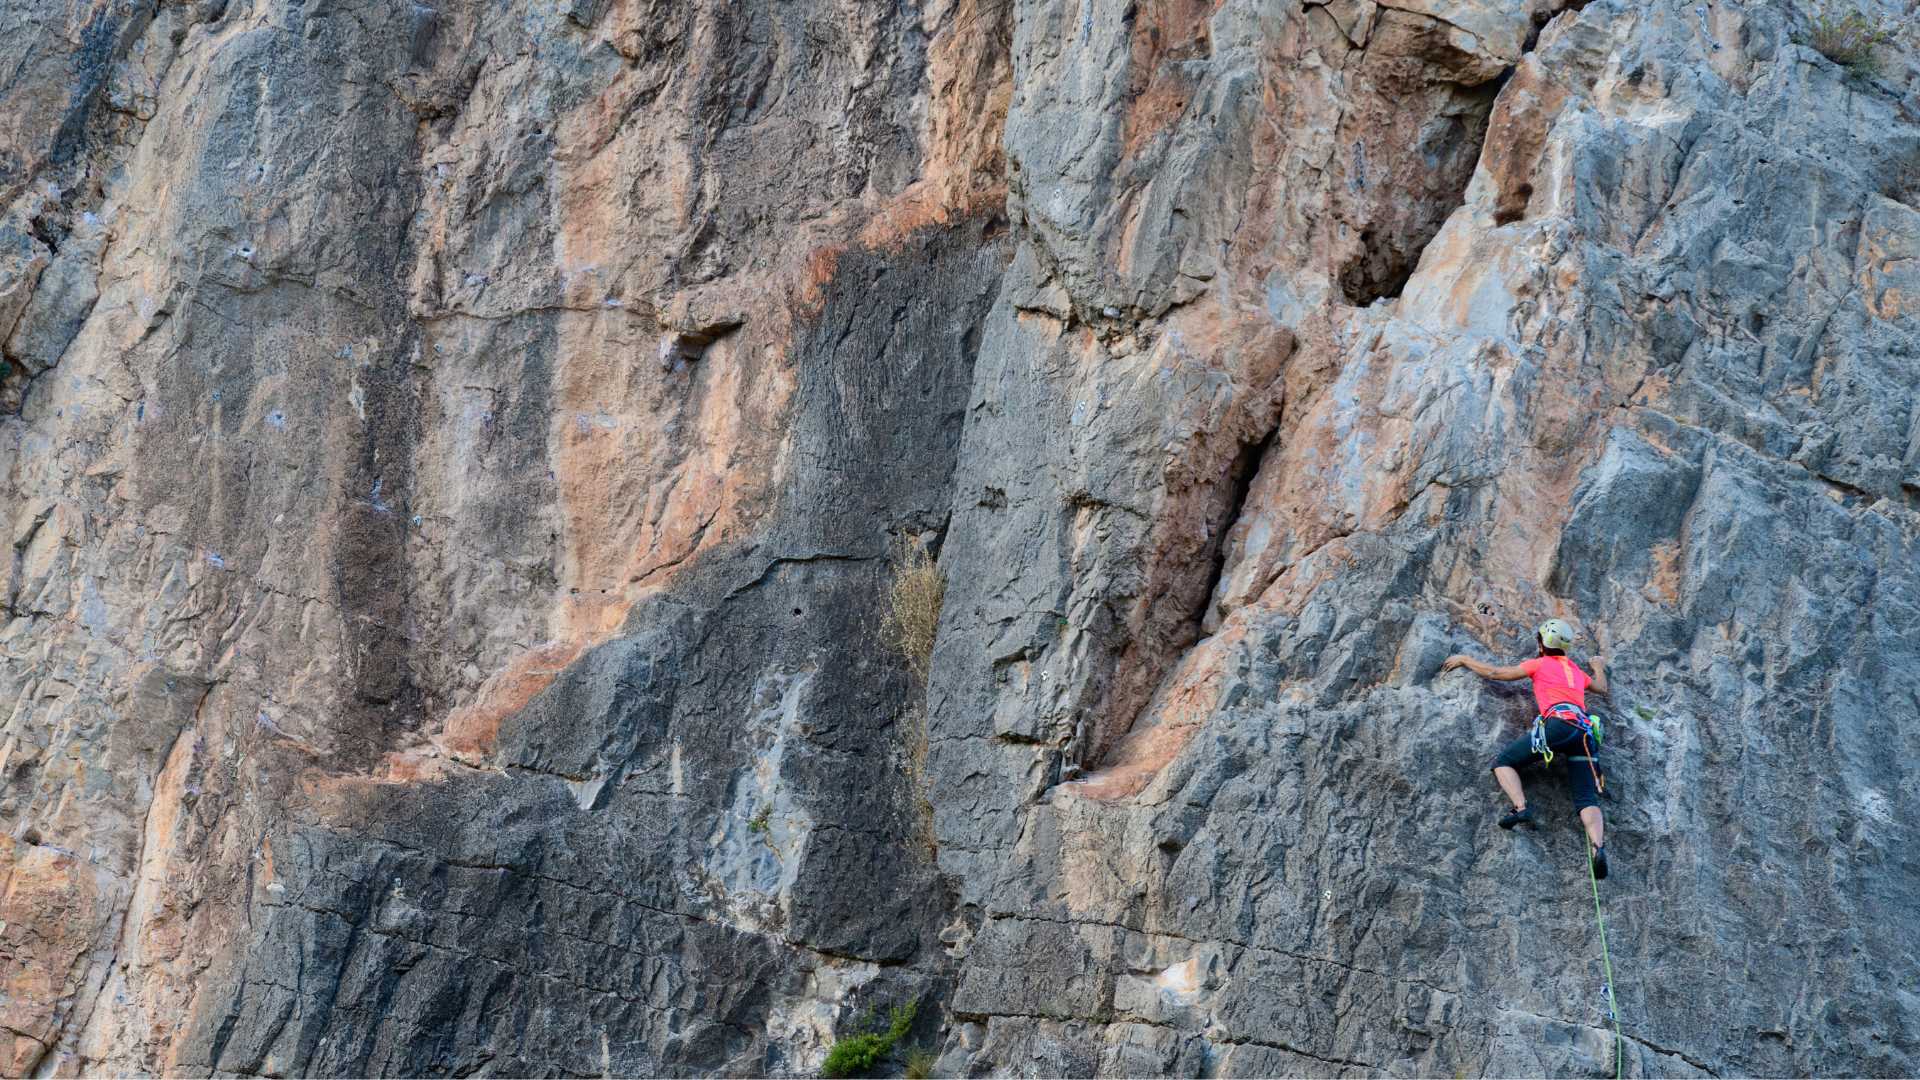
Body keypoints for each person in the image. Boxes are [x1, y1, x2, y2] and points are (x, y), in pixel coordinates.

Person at [1442, 618, 1612, 879]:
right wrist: (1598, 665)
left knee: (1504, 762)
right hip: (1585, 733)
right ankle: (1597, 847)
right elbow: (1601, 688)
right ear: (1564, 647)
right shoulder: (1575, 671)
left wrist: (1466, 659)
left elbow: (1497, 674)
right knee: (1586, 798)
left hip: (1557, 726)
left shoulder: (1539, 663)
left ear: (1541, 643)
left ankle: (1521, 807)